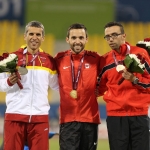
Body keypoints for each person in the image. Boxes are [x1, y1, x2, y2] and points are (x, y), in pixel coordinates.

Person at [0, 21, 59, 150]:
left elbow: (57, 86)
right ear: (25, 36)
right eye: (31, 33)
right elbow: (0, 85)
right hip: (15, 116)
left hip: (39, 118)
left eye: (38, 34)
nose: (34, 37)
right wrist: (9, 82)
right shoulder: (11, 58)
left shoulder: (49, 61)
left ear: (43, 38)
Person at [97, 22, 150, 150]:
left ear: (124, 36)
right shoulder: (104, 61)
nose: (110, 39)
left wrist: (135, 80)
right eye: (107, 36)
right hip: (115, 117)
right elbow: (99, 88)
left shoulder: (140, 54)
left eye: (114, 35)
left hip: (139, 115)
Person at [54, 23, 101, 150]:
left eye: (81, 38)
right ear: (67, 39)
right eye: (74, 38)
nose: (77, 41)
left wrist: (100, 89)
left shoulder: (95, 58)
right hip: (68, 121)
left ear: (87, 39)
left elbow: (109, 78)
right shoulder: (59, 59)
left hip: (90, 120)